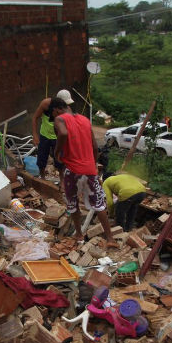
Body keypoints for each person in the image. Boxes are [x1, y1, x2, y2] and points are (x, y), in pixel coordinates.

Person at [49, 97, 118, 248]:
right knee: (99, 205)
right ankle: (110, 239)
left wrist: (57, 151)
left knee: (72, 203)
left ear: (56, 110)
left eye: (53, 114)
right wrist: (92, 165)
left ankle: (79, 235)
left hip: (72, 171)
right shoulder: (85, 120)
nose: (54, 117)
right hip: (89, 170)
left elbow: (63, 134)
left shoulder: (60, 119)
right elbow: (94, 146)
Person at [31, 89, 73, 178]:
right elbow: (35, 118)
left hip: (58, 138)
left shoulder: (67, 109)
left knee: (60, 160)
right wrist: (35, 135)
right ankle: (42, 178)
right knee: (42, 159)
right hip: (44, 135)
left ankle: (62, 180)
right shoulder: (45, 104)